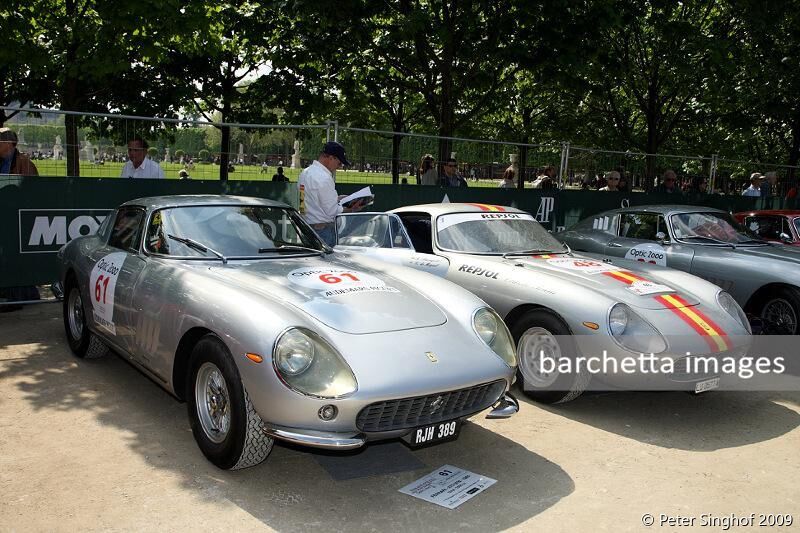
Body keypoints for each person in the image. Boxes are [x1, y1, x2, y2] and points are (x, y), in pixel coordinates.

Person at [297, 141, 364, 246]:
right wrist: (352, 208)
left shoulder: (304, 173)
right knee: (327, 262)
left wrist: (337, 198)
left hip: (306, 228)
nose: (340, 166)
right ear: (331, 158)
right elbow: (332, 211)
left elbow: (305, 202)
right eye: (339, 162)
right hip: (323, 232)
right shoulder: (324, 178)